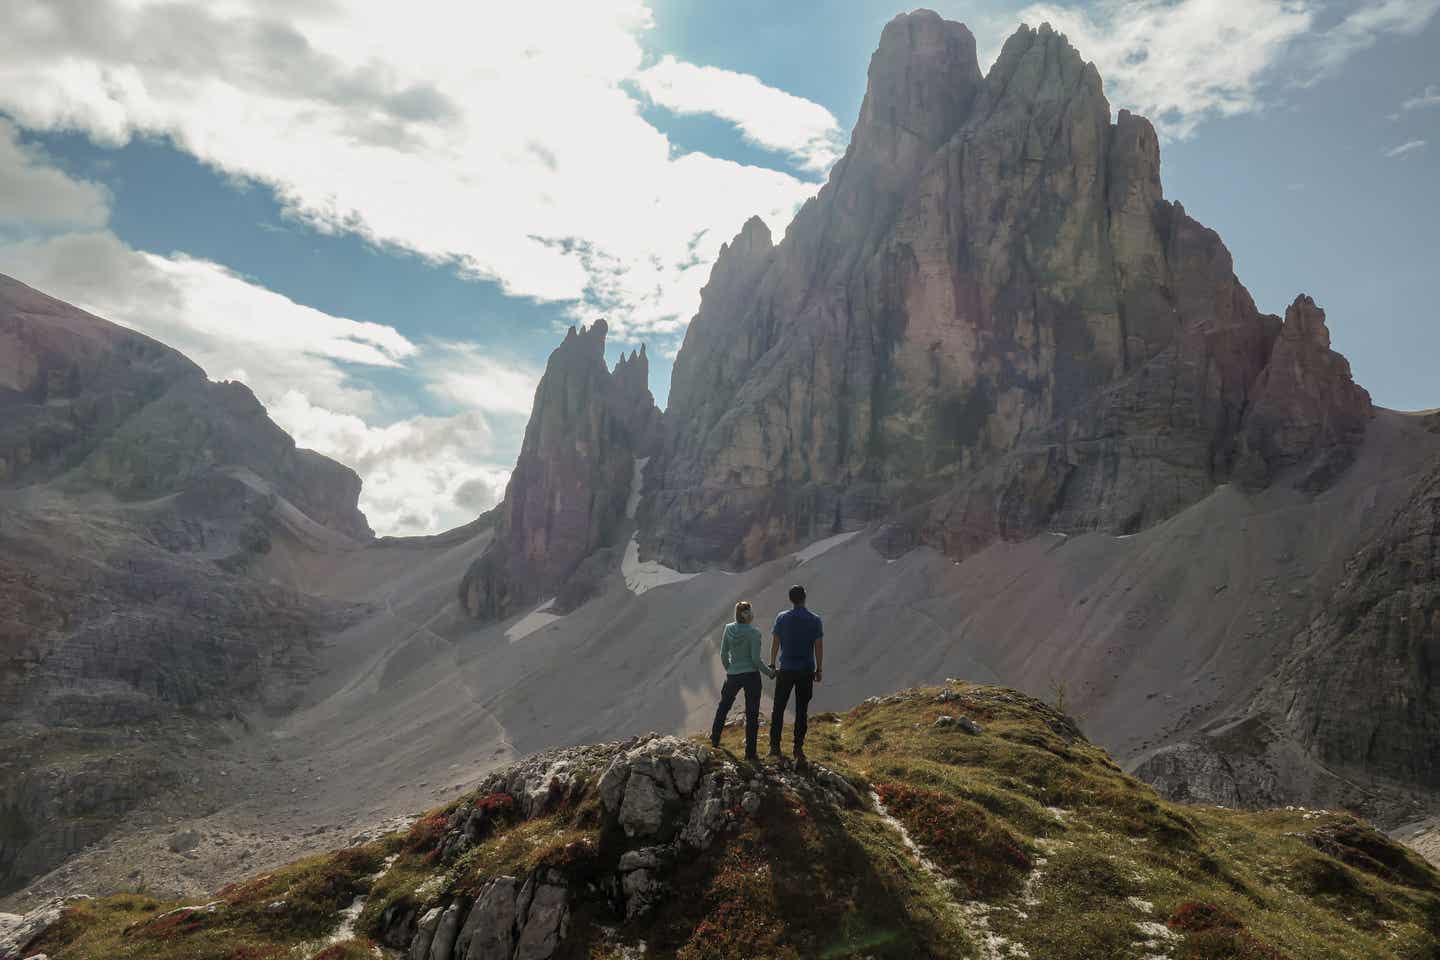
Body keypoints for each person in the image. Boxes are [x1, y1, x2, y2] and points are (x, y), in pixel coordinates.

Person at [710, 600, 774, 761]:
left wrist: (730, 669)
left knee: (723, 706)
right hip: (751, 676)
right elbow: (755, 659)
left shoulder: (728, 629)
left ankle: (714, 741)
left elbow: (724, 654)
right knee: (752, 714)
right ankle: (750, 753)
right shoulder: (754, 633)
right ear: (748, 614)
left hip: (733, 675)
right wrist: (770, 673)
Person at [769, 584, 823, 763]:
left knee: (778, 707)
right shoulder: (815, 620)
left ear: (791, 599)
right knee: (802, 709)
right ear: (804, 598)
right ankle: (798, 748)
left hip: (786, 669)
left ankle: (774, 747)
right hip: (806, 669)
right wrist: (819, 669)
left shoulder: (782, 618)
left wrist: (772, 663)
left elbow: (775, 642)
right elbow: (818, 646)